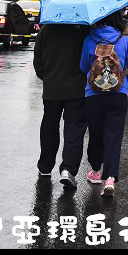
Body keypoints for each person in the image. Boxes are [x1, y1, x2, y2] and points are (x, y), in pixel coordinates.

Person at [79, 9, 128, 196]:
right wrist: (125, 85)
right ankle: (110, 179)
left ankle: (96, 171)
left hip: (94, 95)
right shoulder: (124, 41)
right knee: (114, 136)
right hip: (118, 96)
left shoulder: (90, 39)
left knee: (96, 133)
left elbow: (83, 66)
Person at [33, 23, 89, 189]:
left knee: (49, 125)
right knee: (74, 129)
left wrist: (49, 77)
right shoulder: (83, 29)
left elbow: (38, 61)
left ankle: (45, 166)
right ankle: (68, 170)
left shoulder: (46, 30)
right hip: (77, 90)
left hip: (52, 88)